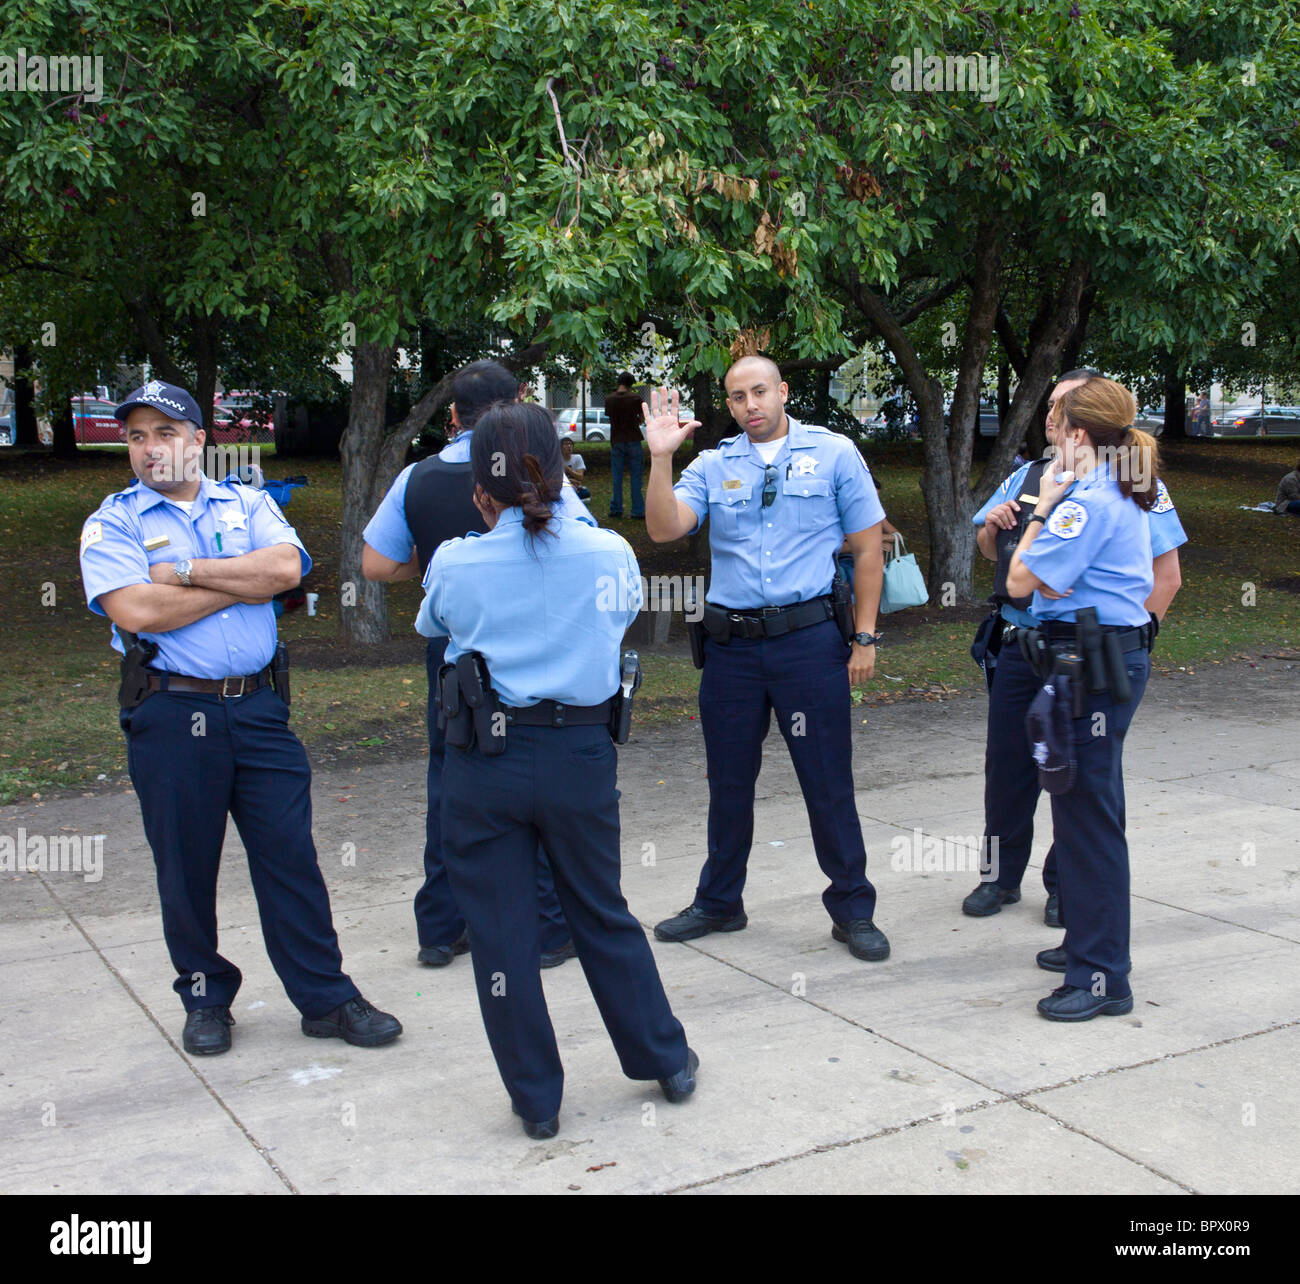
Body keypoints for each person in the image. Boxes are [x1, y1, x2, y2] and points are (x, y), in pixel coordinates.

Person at [78, 381, 400, 1055]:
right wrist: (235, 589)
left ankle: (325, 997)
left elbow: (285, 571)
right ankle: (204, 999)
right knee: (185, 867)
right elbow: (135, 612)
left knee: (290, 857)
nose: (149, 449)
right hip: (171, 711)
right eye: (135, 437)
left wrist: (186, 574)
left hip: (258, 710)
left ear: (198, 440)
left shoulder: (247, 501)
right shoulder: (113, 522)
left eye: (164, 433)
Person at [415, 403, 695, 1139]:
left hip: (486, 760)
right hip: (579, 755)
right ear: (565, 469)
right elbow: (621, 611)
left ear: (480, 488)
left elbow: (436, 626)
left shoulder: (457, 562)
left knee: (502, 935)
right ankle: (664, 1058)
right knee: (601, 912)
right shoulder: (608, 554)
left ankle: (537, 1101)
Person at [646, 357, 891, 961]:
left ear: (782, 392)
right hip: (732, 650)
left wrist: (864, 637)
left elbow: (868, 549)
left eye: (759, 391)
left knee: (827, 779)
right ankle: (720, 902)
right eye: (736, 397)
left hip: (808, 643)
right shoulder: (712, 463)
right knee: (728, 781)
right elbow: (664, 529)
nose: (749, 404)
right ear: (727, 406)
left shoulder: (834, 454)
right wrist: (659, 458)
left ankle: (853, 908)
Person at [362, 360, 587, 971]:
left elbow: (376, 565)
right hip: (531, 644)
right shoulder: (542, 475)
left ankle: (440, 927)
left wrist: (437, 566)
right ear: (518, 401)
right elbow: (573, 547)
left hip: (455, 651)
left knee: (451, 783)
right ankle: (546, 927)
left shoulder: (417, 477)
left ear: (453, 415)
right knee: (535, 780)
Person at [965, 369, 1185, 926]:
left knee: (1076, 778)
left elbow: (1166, 576)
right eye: (1049, 409)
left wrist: (1124, 640)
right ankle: (999, 878)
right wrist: (992, 528)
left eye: (1061, 411)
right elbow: (993, 555)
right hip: (1023, 641)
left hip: (1083, 648)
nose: (1050, 419)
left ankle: (1069, 889)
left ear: (1085, 427)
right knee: (1010, 766)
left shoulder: (1128, 484)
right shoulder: (1031, 475)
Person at [1002, 376, 1160, 1020]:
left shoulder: (1085, 501)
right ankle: (1088, 945)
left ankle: (1101, 977)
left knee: (1086, 822)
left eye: (1056, 422)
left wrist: (1042, 507)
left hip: (1091, 664)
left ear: (1074, 435)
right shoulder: (1117, 487)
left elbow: (1017, 580)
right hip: (1096, 657)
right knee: (1089, 813)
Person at [604, 371, 645, 518]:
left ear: (619, 382)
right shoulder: (636, 398)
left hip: (617, 440)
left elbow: (610, 417)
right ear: (631, 384)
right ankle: (638, 511)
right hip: (633, 438)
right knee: (636, 476)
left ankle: (616, 509)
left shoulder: (609, 399)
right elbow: (642, 417)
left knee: (617, 476)